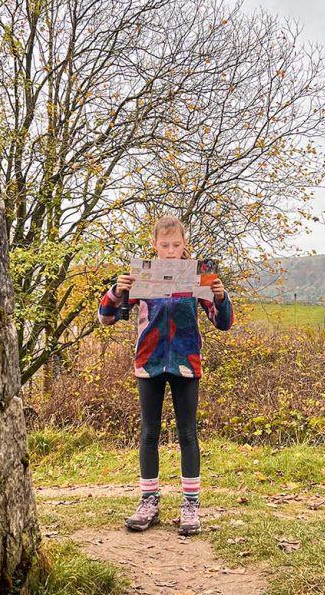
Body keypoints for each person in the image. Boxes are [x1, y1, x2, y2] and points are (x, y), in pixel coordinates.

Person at [97, 215, 233, 536]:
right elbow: (106, 318)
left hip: (186, 363)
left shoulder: (199, 277)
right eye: (164, 245)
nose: (170, 250)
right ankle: (149, 502)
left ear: (184, 244)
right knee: (149, 433)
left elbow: (223, 322)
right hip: (149, 362)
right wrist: (117, 291)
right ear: (154, 245)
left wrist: (220, 296)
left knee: (188, 434)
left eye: (175, 245)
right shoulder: (141, 275)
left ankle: (190, 506)